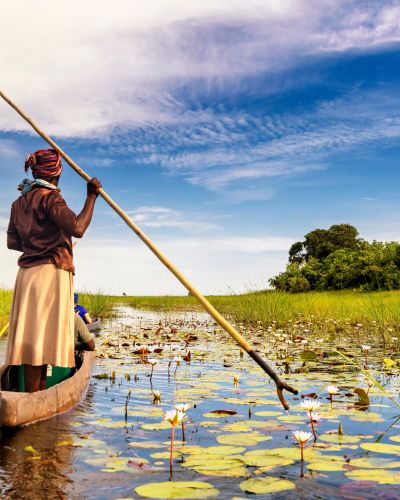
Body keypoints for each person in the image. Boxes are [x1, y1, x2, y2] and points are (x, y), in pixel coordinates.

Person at [6, 148, 101, 392]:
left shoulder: (19, 202)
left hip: (27, 276)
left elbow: (13, 243)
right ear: (56, 172)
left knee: (33, 338)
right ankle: (35, 398)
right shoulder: (51, 198)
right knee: (45, 338)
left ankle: (32, 395)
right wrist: (91, 196)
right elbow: (78, 228)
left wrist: (36, 243)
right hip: (51, 272)